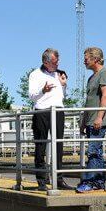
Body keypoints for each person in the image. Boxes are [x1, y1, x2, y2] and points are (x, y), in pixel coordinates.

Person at [27, 48, 74, 190]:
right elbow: (31, 95)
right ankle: (41, 181)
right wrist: (43, 90)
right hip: (42, 111)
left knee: (59, 145)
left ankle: (59, 179)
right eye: (55, 61)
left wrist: (64, 85)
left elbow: (62, 96)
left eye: (58, 61)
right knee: (40, 146)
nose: (57, 64)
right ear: (46, 62)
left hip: (58, 110)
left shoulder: (59, 74)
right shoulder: (35, 74)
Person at [76, 46, 106, 193]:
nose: (84, 62)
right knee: (96, 151)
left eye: (86, 59)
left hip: (98, 120)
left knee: (92, 151)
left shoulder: (105, 74)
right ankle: (98, 182)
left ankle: (91, 182)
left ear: (95, 59)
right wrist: (83, 121)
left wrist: (99, 117)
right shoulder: (92, 77)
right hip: (90, 120)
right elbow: (89, 101)